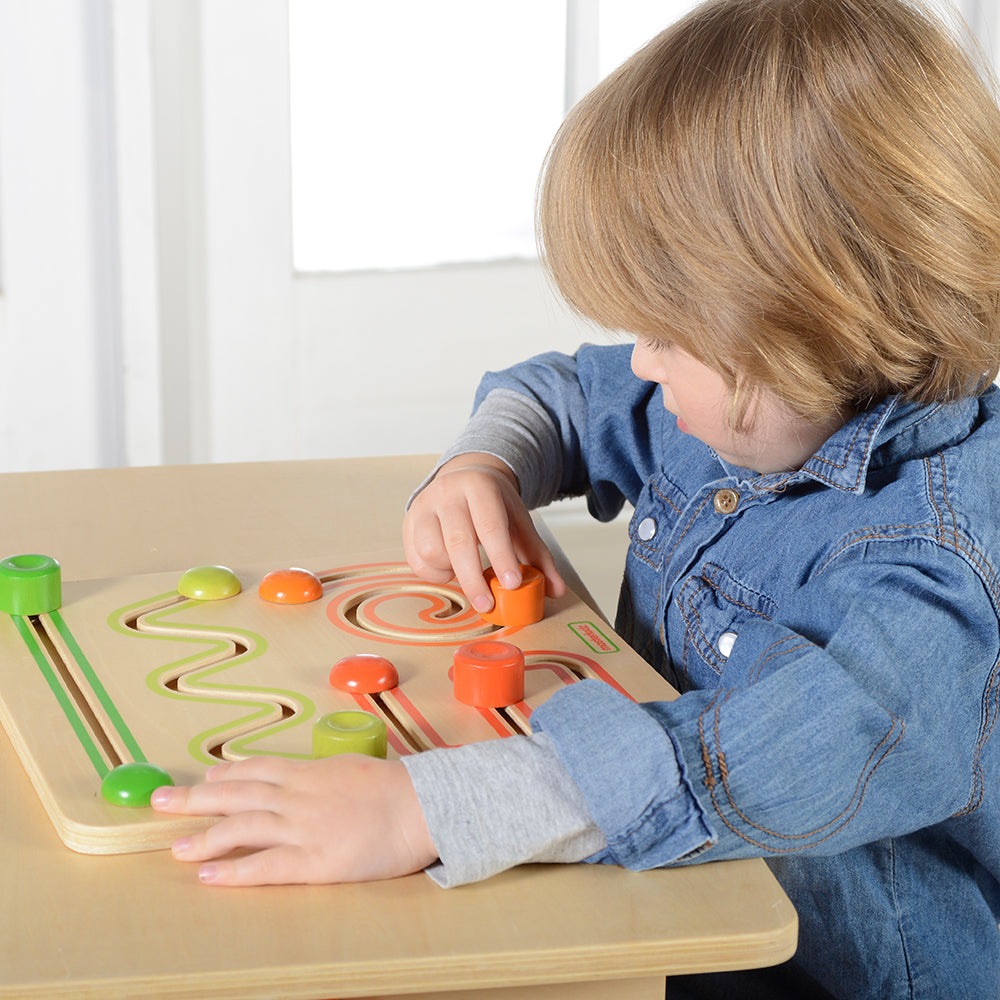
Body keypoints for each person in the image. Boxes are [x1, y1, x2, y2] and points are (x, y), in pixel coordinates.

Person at [152, 0, 1000, 995]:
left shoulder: (937, 576)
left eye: (671, 336)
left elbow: (749, 761)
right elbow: (561, 391)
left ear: (811, 331)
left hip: (822, 975)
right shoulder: (767, 400)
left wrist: (427, 809)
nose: (641, 360)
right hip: (664, 901)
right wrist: (488, 466)